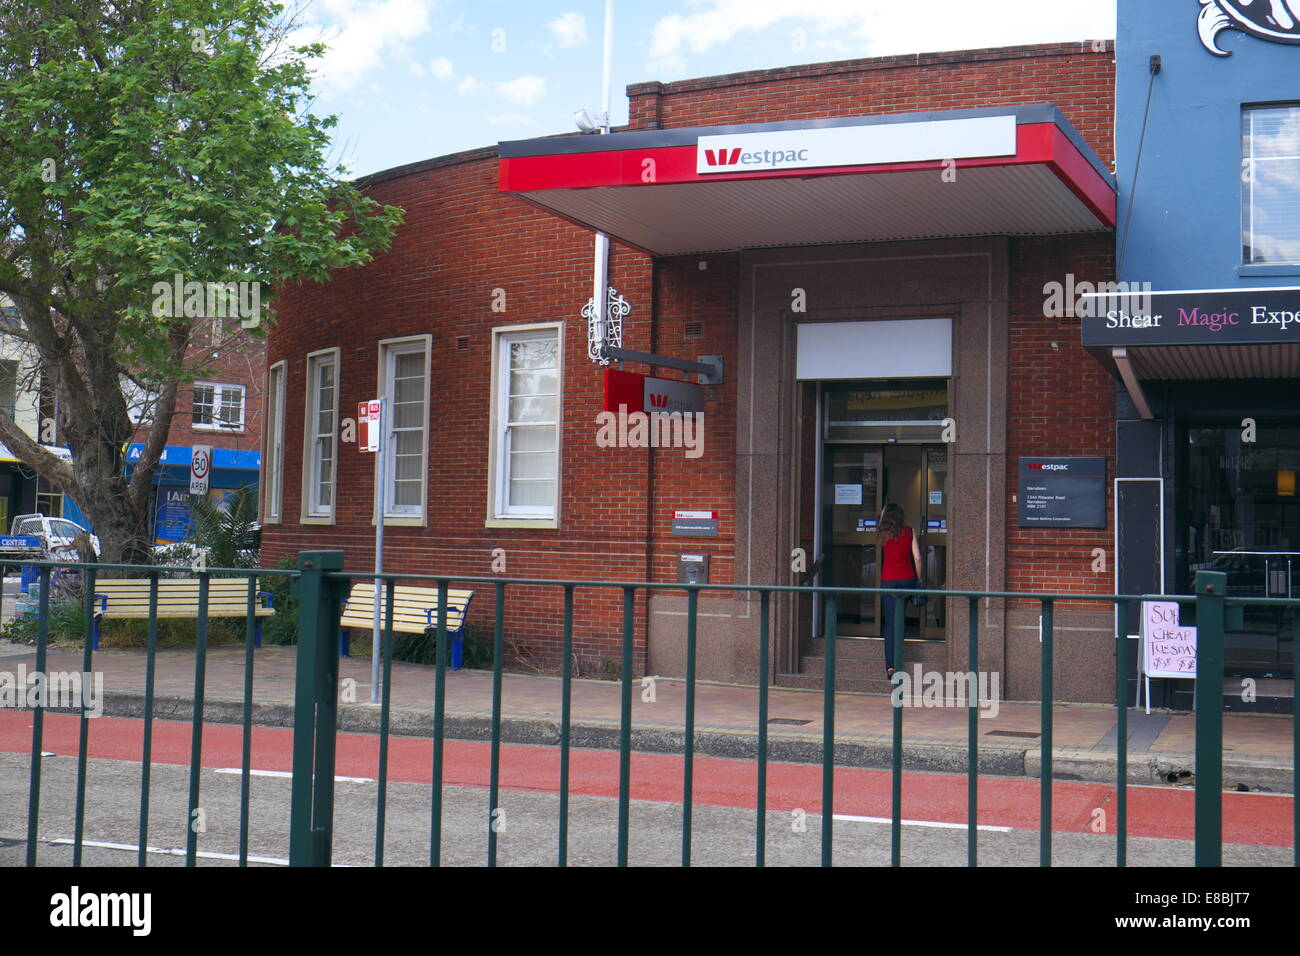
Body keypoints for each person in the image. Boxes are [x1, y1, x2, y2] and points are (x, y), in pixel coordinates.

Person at [877, 502, 922, 678]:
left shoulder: (882, 534)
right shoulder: (910, 531)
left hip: (888, 581)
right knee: (900, 621)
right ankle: (899, 662)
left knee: (890, 624)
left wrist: (883, 516)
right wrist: (919, 580)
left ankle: (891, 666)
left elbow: (882, 523)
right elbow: (917, 558)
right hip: (907, 580)